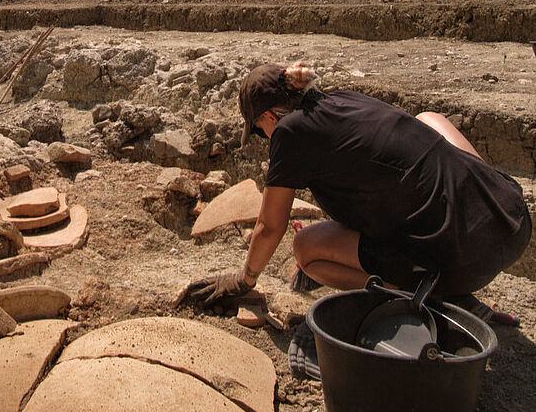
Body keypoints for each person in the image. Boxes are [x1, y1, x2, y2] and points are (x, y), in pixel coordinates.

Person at [182, 63, 531, 314]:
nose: (263, 138)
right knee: (429, 120)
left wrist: (244, 281)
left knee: (306, 251)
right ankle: (458, 234)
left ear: (270, 117)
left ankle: (428, 294)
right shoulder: (342, 99)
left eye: (258, 130)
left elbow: (270, 226)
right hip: (510, 219)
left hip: (464, 263)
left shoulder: (289, 133)